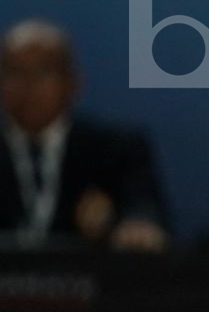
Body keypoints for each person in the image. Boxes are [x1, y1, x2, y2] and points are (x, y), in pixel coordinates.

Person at [0, 19, 168, 250]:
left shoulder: (115, 148)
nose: (28, 85)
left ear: (72, 83)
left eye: (43, 72)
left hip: (93, 280)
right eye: (15, 72)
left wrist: (137, 225)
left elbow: (142, 206)